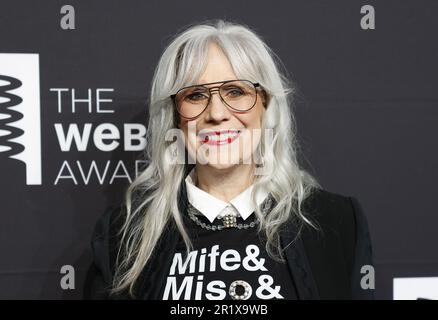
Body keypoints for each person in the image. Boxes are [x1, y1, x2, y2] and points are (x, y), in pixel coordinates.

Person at [83, 19, 374, 300]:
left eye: (236, 92)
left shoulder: (335, 222)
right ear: (174, 114)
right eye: (196, 95)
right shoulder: (123, 235)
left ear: (266, 103)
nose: (217, 113)